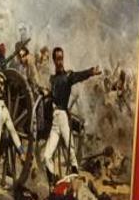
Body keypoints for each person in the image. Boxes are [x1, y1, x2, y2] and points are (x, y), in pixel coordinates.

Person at [43, 46, 100, 179]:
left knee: (70, 147)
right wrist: (46, 93)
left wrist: (91, 71)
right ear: (53, 60)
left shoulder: (68, 76)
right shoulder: (52, 79)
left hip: (62, 116)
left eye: (61, 58)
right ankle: (53, 180)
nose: (60, 61)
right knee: (46, 156)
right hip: (55, 121)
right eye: (57, 59)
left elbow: (79, 76)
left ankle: (74, 173)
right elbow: (53, 95)